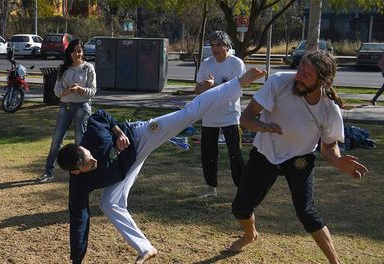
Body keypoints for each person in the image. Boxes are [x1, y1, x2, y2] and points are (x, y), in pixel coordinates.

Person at [56, 68, 267, 263]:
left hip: (140, 136)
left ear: (82, 147)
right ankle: (145, 248)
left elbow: (101, 115)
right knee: (109, 204)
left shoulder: (93, 138)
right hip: (124, 167)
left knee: (188, 114)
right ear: (76, 172)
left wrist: (118, 132)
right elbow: (79, 220)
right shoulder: (79, 186)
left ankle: (240, 82)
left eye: (89, 155)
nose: (93, 160)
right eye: (88, 165)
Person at [228, 51, 368, 264]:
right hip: (266, 154)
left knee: (307, 212)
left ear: (322, 80)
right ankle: (250, 235)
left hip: (299, 159)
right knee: (240, 208)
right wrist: (262, 126)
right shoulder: (279, 82)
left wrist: (338, 161)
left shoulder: (329, 109)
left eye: (307, 74)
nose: (299, 76)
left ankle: (335, 262)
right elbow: (246, 117)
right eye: (300, 68)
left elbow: (329, 146)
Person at [195, 30, 246, 198]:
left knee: (235, 154)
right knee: (208, 154)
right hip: (209, 115)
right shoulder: (206, 63)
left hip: (230, 116)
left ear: (227, 46)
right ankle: (211, 188)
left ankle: (242, 189)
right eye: (212, 45)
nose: (215, 48)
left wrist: (212, 86)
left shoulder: (236, 63)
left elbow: (233, 91)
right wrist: (205, 86)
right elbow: (198, 90)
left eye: (219, 45)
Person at [37, 39, 96, 183]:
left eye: (80, 51)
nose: (78, 54)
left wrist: (80, 89)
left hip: (82, 106)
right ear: (69, 53)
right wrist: (66, 92)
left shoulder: (88, 68)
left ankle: (81, 172)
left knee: (80, 141)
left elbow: (93, 91)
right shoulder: (63, 68)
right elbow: (57, 91)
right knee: (56, 140)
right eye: (75, 51)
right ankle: (48, 171)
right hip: (65, 106)